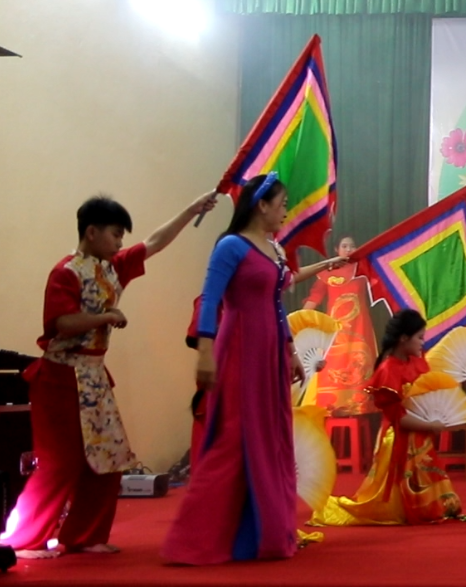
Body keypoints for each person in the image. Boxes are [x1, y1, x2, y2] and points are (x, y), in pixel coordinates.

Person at [2, 192, 216, 559]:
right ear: (91, 232)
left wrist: (191, 210)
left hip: (95, 378)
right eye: (115, 234)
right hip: (59, 376)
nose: (120, 242)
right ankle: (23, 539)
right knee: (60, 462)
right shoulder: (66, 272)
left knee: (110, 457)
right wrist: (106, 316)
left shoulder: (112, 268)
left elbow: (154, 243)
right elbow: (62, 323)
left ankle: (84, 535)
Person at [163, 176, 305, 564]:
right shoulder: (231, 246)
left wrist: (290, 348)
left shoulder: (273, 249)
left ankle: (263, 532)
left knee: (270, 437)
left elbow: (277, 305)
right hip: (241, 349)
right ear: (262, 205)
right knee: (234, 437)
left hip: (270, 353)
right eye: (282, 203)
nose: (286, 210)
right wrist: (205, 351)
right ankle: (196, 539)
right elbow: (211, 299)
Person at [312, 310, 466, 525]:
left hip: (421, 436)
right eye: (420, 337)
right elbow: (398, 418)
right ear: (404, 338)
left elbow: (434, 383)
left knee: (441, 505)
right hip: (399, 438)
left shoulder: (416, 361)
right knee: (396, 505)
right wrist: (429, 425)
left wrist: (465, 376)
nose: (423, 343)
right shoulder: (388, 370)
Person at [300, 235, 377, 415]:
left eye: (352, 246)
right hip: (335, 330)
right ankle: (331, 406)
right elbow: (315, 297)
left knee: (360, 363)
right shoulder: (326, 273)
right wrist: (299, 319)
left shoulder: (363, 270)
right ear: (336, 249)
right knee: (333, 365)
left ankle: (360, 406)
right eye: (344, 246)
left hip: (360, 327)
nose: (349, 249)